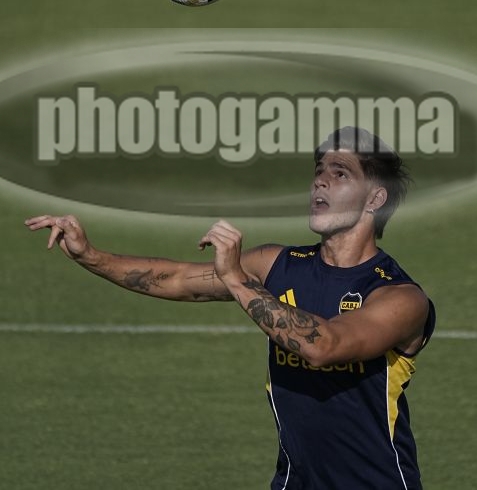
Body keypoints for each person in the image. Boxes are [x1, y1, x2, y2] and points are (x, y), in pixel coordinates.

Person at [25, 126, 435, 490]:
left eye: (340, 173)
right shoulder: (279, 265)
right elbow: (178, 279)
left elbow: (324, 346)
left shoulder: (400, 297)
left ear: (375, 198)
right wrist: (90, 255)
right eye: (319, 170)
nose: (320, 181)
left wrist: (237, 278)